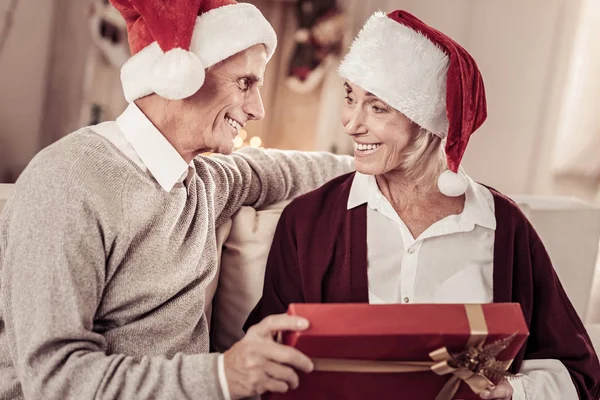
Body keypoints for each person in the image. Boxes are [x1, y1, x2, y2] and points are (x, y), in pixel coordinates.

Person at [0, 1, 354, 399]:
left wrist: (383, 163)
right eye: (245, 83)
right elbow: (54, 380)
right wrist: (222, 376)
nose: (258, 109)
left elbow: (280, 169)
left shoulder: (204, 181)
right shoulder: (67, 182)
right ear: (182, 76)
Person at [246, 10, 600, 400]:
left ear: (429, 120)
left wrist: (512, 390)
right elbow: (264, 362)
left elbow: (577, 372)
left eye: (378, 107)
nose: (351, 123)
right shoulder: (309, 220)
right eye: (350, 97)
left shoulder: (504, 227)